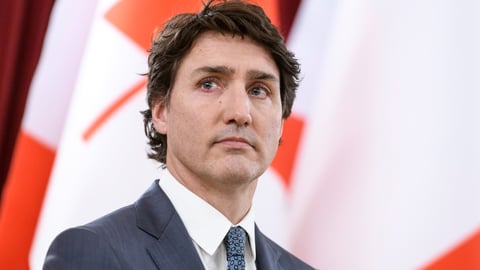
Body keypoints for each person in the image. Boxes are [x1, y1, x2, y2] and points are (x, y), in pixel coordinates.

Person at [43, 0, 314, 269]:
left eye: (258, 90)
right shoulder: (92, 253)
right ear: (161, 112)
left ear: (281, 122)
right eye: (209, 84)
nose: (240, 113)